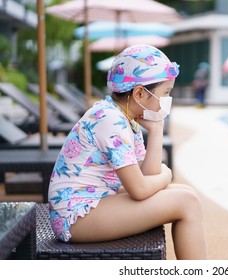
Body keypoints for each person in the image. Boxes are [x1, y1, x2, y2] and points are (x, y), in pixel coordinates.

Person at [48, 44, 207, 260]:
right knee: (186, 202)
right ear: (140, 93)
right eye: (166, 93)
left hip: (96, 200)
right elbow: (140, 189)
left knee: (185, 192)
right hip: (75, 216)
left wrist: (157, 127)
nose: (168, 100)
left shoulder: (124, 118)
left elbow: (148, 177)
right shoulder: (111, 120)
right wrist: (167, 172)